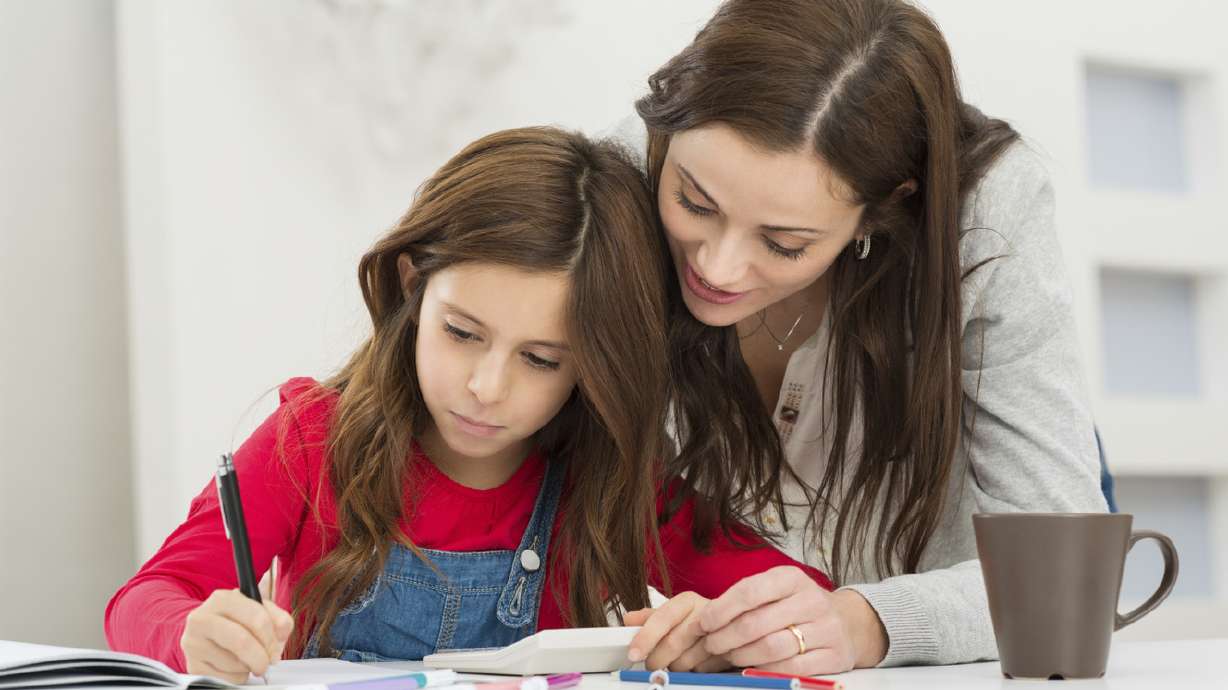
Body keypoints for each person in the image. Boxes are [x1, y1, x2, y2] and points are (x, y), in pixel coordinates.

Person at [104, 127, 832, 681]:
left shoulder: (611, 477)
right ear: (413, 285)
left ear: (595, 367)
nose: (487, 388)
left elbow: (806, 605)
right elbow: (146, 597)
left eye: (542, 360)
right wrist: (194, 634)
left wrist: (720, 632)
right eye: (461, 333)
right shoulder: (311, 440)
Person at [618, 0, 1108, 674]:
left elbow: (1060, 573)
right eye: (695, 204)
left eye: (785, 242)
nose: (716, 267)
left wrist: (861, 623)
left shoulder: (984, 216)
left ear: (882, 209)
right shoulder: (620, 180)